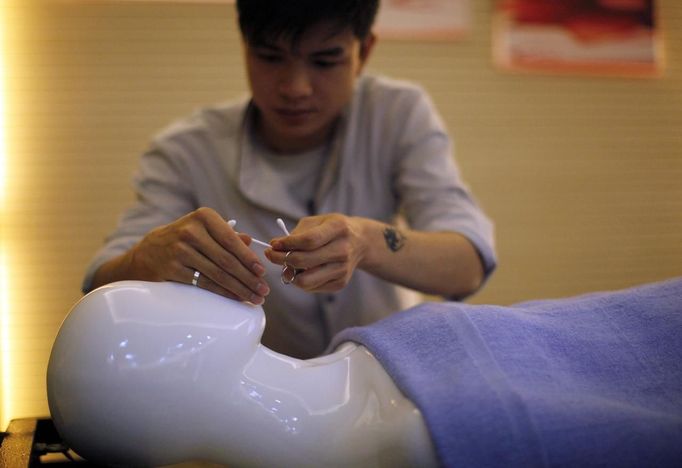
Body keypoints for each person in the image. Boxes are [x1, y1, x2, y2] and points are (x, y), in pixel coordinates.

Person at [83, 0, 497, 358]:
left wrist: (365, 242)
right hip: (252, 398)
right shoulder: (186, 151)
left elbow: (468, 264)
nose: (296, 88)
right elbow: (99, 282)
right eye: (270, 56)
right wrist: (146, 259)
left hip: (385, 385)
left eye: (324, 61)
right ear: (244, 45)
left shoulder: (397, 114)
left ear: (364, 52)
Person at [48, 281, 439, 467]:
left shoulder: (369, 382)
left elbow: (468, 253)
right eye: (163, 297)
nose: (185, 289)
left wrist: (370, 241)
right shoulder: (406, 430)